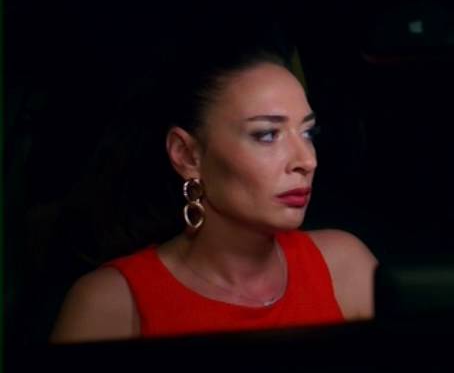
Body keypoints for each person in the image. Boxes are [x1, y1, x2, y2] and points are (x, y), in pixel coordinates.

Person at [51, 33, 377, 342]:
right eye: (267, 135)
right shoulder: (111, 307)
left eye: (307, 133)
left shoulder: (346, 267)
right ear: (187, 155)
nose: (307, 160)